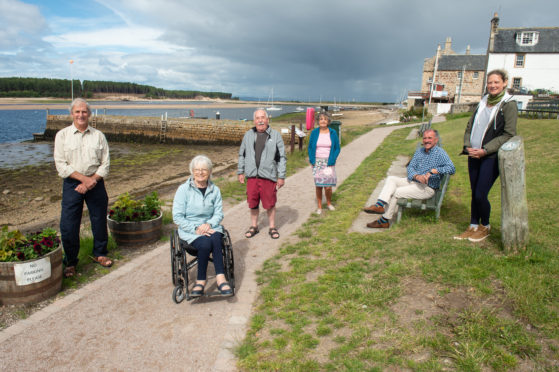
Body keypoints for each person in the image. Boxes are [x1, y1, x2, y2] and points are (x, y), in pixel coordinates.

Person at [454, 69, 517, 242]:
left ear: (504, 83)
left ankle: (485, 225)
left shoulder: (508, 104)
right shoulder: (483, 101)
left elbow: (509, 134)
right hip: (473, 154)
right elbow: (469, 127)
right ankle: (473, 225)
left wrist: (485, 149)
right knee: (474, 192)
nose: (492, 85)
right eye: (490, 82)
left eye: (496, 82)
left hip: (490, 156)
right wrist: (467, 146)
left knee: (481, 193)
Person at [54, 98, 111, 278]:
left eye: (84, 111)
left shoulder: (99, 136)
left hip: (96, 181)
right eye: (77, 112)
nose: (81, 115)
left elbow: (106, 164)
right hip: (73, 183)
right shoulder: (62, 136)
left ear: (89, 114)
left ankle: (100, 253)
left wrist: (91, 180)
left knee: (99, 220)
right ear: (72, 114)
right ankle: (70, 261)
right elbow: (61, 165)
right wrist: (84, 180)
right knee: (69, 224)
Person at [364, 129, 455, 228]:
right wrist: (417, 176)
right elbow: (410, 167)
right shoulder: (420, 151)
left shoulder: (440, 153)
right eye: (424, 138)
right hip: (414, 181)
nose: (426, 140)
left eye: (430, 138)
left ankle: (384, 221)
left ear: (436, 140)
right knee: (391, 179)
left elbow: (451, 168)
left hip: (427, 188)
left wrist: (434, 171)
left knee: (395, 192)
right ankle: (379, 205)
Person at [172, 155, 233, 297]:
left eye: (204, 170)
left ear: (210, 172)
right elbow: (178, 217)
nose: (200, 173)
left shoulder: (215, 190)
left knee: (216, 238)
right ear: (192, 171)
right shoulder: (183, 190)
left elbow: (219, 213)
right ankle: (201, 281)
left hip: (211, 226)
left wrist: (209, 224)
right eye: (197, 170)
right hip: (190, 230)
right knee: (205, 243)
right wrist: (195, 229)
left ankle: (220, 278)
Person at [237, 108, 287, 239]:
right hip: (252, 176)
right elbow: (242, 154)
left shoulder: (275, 135)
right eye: (258, 118)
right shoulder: (248, 135)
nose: (260, 121)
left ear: (267, 119)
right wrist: (240, 171)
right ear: (254, 121)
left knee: (270, 203)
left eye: (262, 118)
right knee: (252, 203)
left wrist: (281, 176)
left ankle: (272, 227)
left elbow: (282, 157)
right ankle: (254, 226)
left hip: (269, 176)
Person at [307, 111, 341, 214]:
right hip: (317, 162)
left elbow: (337, 148)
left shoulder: (332, 133)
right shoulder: (314, 132)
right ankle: (320, 207)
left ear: (328, 121)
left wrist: (333, 159)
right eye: (321, 119)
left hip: (328, 162)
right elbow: (310, 147)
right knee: (319, 185)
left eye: (325, 119)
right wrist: (312, 160)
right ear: (318, 121)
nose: (323, 121)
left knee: (328, 186)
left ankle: (329, 203)